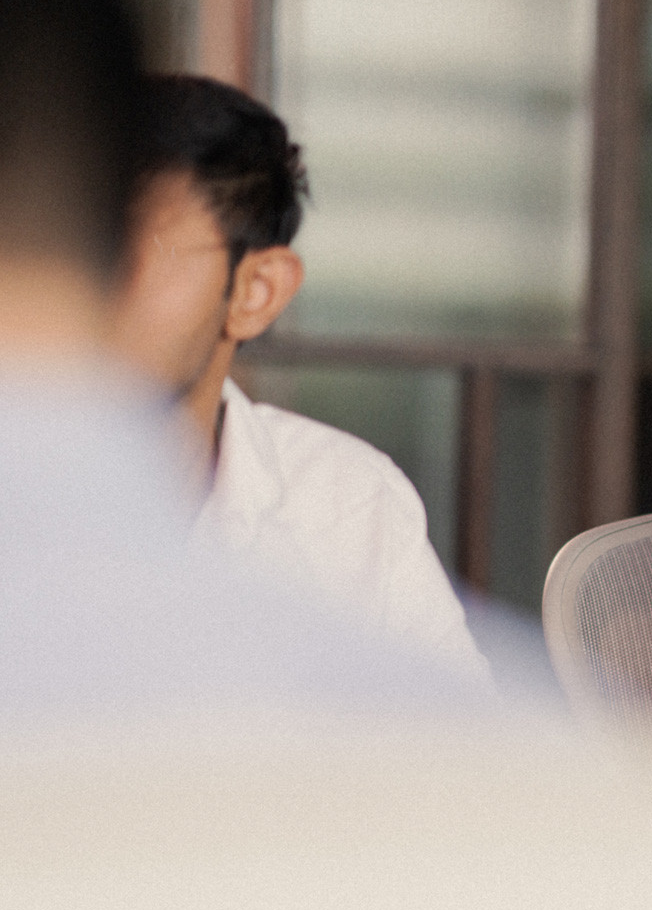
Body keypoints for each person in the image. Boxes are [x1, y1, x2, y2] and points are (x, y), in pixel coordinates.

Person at [107, 74, 488, 684]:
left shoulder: (347, 507)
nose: (79, 288)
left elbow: (464, 740)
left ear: (255, 292)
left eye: (133, 251)